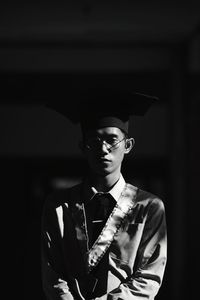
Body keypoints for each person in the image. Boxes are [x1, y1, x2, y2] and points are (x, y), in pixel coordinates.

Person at [41, 88, 167, 300]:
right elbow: (52, 272)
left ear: (128, 145)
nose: (103, 149)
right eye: (94, 141)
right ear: (83, 146)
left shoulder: (148, 206)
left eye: (111, 139)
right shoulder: (59, 206)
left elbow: (148, 277)